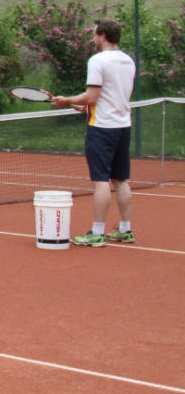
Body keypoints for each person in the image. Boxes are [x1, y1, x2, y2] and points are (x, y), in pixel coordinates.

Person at [52, 18, 137, 246]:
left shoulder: (97, 60)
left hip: (102, 128)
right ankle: (126, 229)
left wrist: (66, 100)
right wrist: (84, 106)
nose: (92, 38)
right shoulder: (128, 61)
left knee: (101, 180)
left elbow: (92, 96)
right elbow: (109, 96)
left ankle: (97, 233)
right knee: (121, 179)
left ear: (103, 36)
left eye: (94, 34)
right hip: (123, 126)